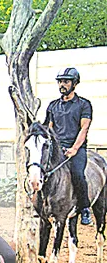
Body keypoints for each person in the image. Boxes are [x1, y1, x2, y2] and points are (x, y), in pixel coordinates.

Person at [44, 67, 94, 225]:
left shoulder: (84, 105)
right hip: (57, 148)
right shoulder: (53, 106)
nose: (62, 85)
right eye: (60, 81)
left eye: (66, 81)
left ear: (75, 83)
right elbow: (49, 129)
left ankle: (85, 208)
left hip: (76, 148)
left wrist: (74, 149)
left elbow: (84, 128)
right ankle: (41, 206)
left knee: (77, 173)